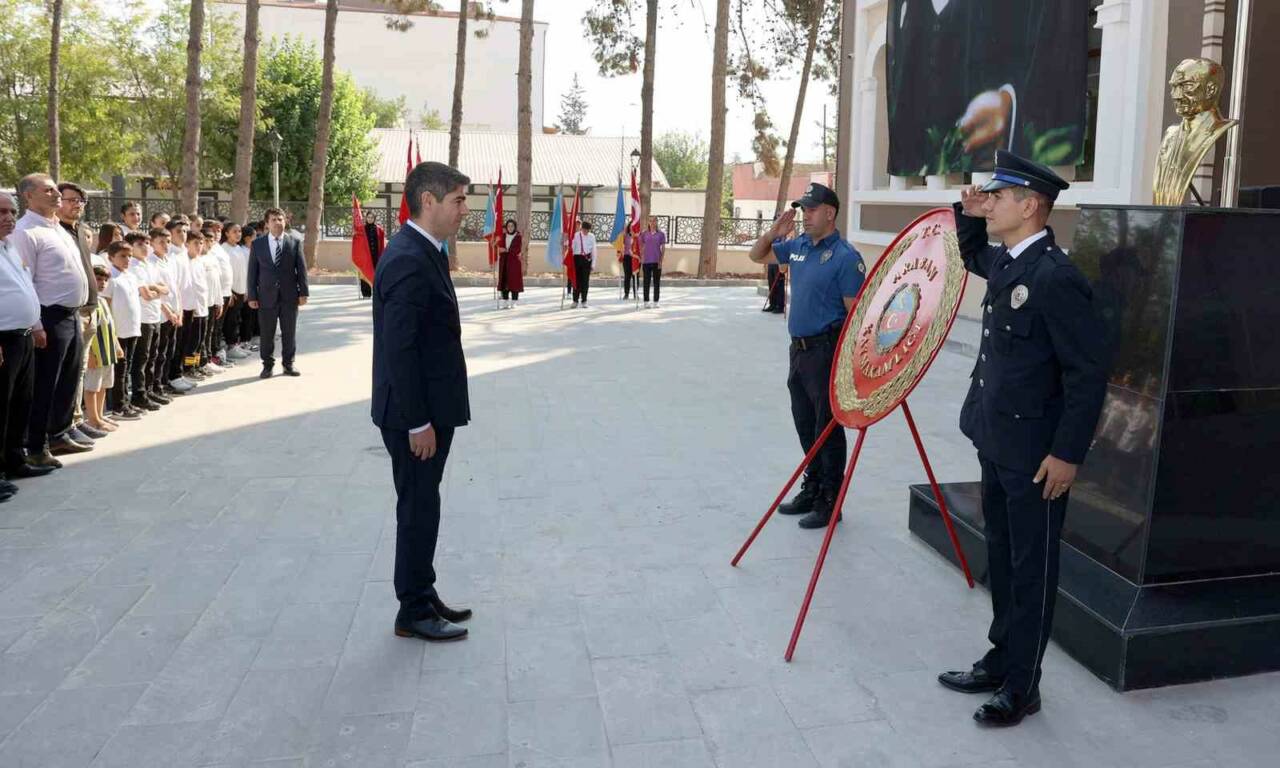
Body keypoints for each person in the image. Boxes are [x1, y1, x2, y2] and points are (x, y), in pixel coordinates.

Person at [937, 150, 1108, 727]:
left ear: (1031, 206)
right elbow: (974, 256)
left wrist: (1067, 453)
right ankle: (1000, 656)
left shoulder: (1056, 279)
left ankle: (1022, 685)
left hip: (1037, 457)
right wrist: (967, 214)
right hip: (998, 440)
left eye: (999, 196)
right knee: (1005, 561)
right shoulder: (1013, 262)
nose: (990, 203)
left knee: (1032, 568)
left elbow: (1087, 374)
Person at [372, 161, 473, 643]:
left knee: (424, 504)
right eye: (457, 200)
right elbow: (400, 349)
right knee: (416, 507)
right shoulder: (409, 257)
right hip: (415, 415)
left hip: (430, 407)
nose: (464, 209)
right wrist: (416, 423)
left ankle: (422, 591)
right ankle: (411, 608)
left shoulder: (425, 249)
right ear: (427, 201)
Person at [747, 182, 866, 529]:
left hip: (826, 351)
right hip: (797, 351)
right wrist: (772, 233)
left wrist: (847, 366)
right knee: (804, 424)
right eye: (804, 210)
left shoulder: (846, 257)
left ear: (830, 213)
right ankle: (812, 487)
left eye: (811, 210)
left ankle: (831, 500)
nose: (805, 216)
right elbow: (757, 255)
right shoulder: (797, 246)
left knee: (826, 429)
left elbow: (855, 316)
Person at [9, 174, 92, 467]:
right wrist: (37, 325)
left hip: (71, 314)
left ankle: (59, 432)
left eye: (56, 188)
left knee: (68, 379)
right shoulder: (25, 231)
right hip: (48, 316)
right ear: (28, 197)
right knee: (45, 383)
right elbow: (25, 279)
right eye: (49, 190)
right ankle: (36, 445)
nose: (57, 194)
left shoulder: (57, 228)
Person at [1, 191, 54, 495]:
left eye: (11, 211)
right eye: (2, 212)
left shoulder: (9, 247)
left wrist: (35, 324)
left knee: (20, 403)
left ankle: (14, 460)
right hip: (3, 340)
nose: (8, 217)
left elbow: (24, 287)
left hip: (22, 337)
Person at [54, 182, 104, 445]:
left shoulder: (80, 231)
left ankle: (75, 420)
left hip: (89, 309)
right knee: (67, 373)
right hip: (68, 313)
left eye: (81, 201)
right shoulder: (55, 232)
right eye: (71, 199)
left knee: (79, 371)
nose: (77, 204)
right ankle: (64, 425)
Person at [247, 207, 309, 379]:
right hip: (266, 297)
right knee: (267, 334)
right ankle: (267, 365)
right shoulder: (258, 244)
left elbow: (301, 269)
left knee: (289, 332)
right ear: (267, 223)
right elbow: (253, 271)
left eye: (280, 219)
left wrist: (303, 292)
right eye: (273, 219)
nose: (277, 222)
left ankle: (288, 364)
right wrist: (252, 295)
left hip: (289, 296)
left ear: (285, 221)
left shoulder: (294, 242)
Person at [103, 241, 150, 421]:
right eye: (123, 256)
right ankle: (118, 406)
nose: (127, 259)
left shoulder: (130, 276)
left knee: (128, 367)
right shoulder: (111, 278)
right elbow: (106, 305)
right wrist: (111, 332)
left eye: (129, 256)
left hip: (132, 328)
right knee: (119, 370)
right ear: (111, 257)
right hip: (118, 331)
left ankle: (126, 401)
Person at [126, 231, 169, 409]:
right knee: (141, 359)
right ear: (131, 247)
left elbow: (165, 289)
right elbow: (146, 294)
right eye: (140, 244)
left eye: (146, 244)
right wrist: (154, 289)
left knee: (153, 356)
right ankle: (138, 394)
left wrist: (154, 288)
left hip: (155, 315)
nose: (145, 248)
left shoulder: (149, 265)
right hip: (142, 318)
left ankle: (149, 389)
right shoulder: (133, 266)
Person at [83, 265, 123, 434]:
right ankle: (92, 419)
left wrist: (117, 346)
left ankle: (100, 415)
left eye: (106, 280)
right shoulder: (87, 302)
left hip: (107, 352)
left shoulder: (102, 301)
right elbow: (87, 330)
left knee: (104, 385)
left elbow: (110, 327)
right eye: (98, 279)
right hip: (96, 353)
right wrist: (90, 353)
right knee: (92, 387)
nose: (102, 283)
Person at [638, 217, 665, 308]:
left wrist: (661, 260)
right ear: (648, 222)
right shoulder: (644, 234)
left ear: (657, 222)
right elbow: (640, 245)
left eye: (654, 221)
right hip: (646, 262)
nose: (652, 222)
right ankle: (646, 301)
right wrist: (641, 256)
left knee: (657, 282)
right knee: (646, 282)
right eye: (650, 221)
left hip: (656, 261)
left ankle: (656, 301)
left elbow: (663, 248)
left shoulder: (661, 234)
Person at [569, 220, 597, 308]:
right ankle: (575, 300)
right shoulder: (576, 235)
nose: (586, 232)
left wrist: (593, 264)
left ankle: (584, 300)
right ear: (582, 228)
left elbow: (594, 251)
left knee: (585, 281)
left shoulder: (592, 236)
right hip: (577, 259)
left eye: (588, 230)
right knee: (576, 281)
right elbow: (571, 248)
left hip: (586, 260)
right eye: (585, 230)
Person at [497, 218, 523, 309]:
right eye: (508, 226)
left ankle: (514, 301)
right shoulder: (504, 236)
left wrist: (506, 250)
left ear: (515, 227)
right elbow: (500, 247)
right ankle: (505, 300)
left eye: (512, 226)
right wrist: (500, 249)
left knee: (514, 280)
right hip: (504, 261)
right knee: (504, 280)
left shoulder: (518, 236)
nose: (510, 228)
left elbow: (517, 249)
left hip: (514, 262)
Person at [619, 226, 637, 301]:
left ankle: (635, 294)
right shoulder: (625, 236)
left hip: (635, 258)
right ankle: (626, 294)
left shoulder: (637, 237)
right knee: (627, 276)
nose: (632, 230)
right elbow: (620, 244)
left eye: (634, 228)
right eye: (631, 228)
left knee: (635, 276)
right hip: (627, 257)